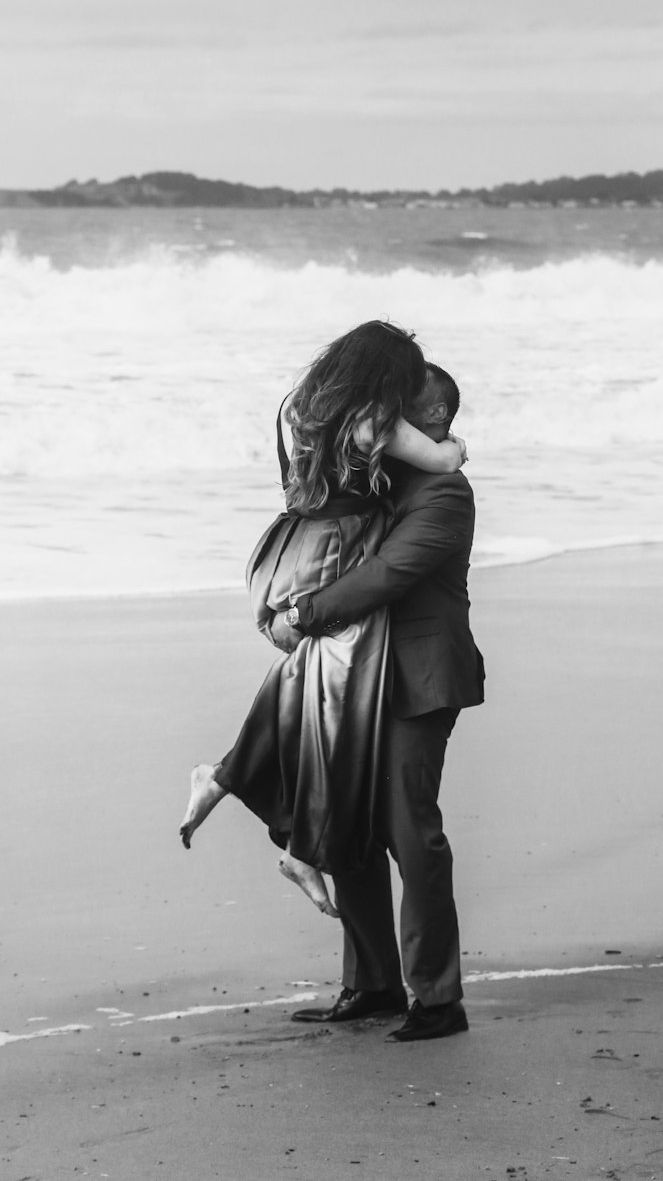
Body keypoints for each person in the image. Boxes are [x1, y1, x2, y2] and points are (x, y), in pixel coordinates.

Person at [177, 321, 467, 923]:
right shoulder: (377, 424)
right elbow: (435, 465)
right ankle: (280, 825)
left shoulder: (305, 409)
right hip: (327, 562)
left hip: (286, 552)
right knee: (324, 682)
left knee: (311, 690)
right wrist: (452, 448)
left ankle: (249, 797)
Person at [271, 362, 485, 1042]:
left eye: (401, 406)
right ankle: (371, 982)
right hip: (358, 674)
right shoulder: (378, 481)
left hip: (420, 679)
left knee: (408, 831)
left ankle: (439, 998)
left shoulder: (446, 493)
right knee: (352, 828)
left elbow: (386, 575)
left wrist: (302, 613)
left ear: (435, 420)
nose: (383, 414)